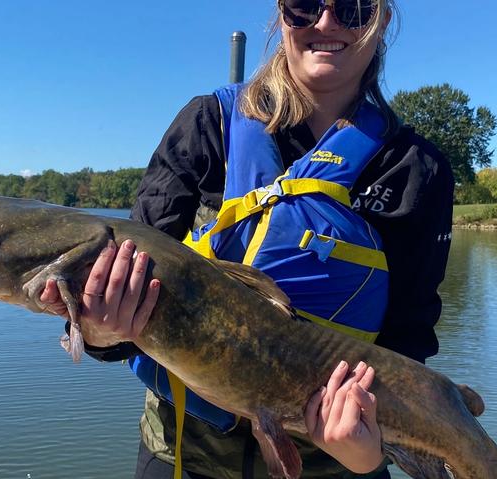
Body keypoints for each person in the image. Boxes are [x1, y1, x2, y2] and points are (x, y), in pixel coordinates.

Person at [42, 0, 453, 477]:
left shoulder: (417, 169)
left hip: (336, 464)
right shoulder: (206, 125)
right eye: (304, 5)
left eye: (353, 7)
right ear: (281, 15)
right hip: (182, 453)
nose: (325, 22)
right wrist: (98, 331)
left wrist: (367, 454)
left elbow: (408, 346)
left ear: (381, 20)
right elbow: (123, 291)